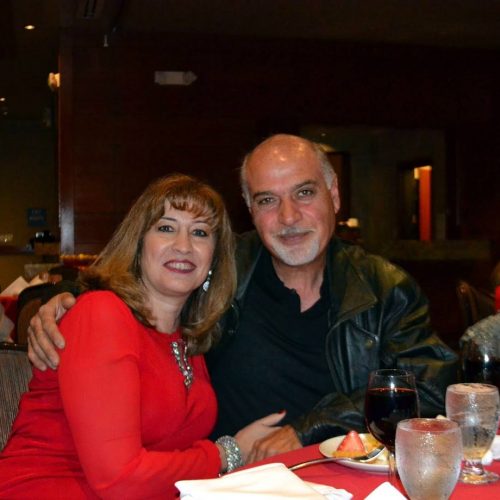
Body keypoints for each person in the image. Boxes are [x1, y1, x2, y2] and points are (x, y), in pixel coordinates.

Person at [28, 134, 458, 464]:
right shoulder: (220, 270)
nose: (288, 218)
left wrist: (307, 429)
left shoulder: (385, 288)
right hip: (232, 482)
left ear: (335, 197)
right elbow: (141, 283)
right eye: (268, 200)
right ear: (250, 211)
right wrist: (66, 297)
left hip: (342, 478)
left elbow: (431, 389)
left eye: (304, 194)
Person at [0, 174, 282, 499]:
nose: (183, 245)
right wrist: (227, 454)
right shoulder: (102, 314)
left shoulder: (188, 340)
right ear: (138, 243)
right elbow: (118, 480)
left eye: (200, 233)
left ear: (214, 259)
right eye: (166, 227)